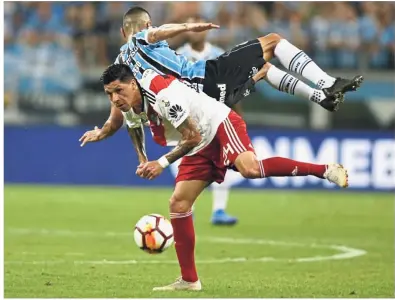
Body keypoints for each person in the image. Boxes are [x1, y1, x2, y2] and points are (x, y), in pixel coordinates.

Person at [96, 64, 349, 291]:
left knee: (249, 168)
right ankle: (189, 280)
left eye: (118, 91)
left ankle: (325, 170)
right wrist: (142, 159)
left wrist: (161, 163)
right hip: (196, 144)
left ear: (133, 83)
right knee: (179, 204)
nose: (115, 98)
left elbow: (192, 136)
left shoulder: (162, 95)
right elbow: (133, 126)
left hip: (217, 124)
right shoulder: (129, 102)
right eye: (109, 94)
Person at [113, 6, 363, 112]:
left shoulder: (119, 66)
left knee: (263, 67)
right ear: (146, 25)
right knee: (273, 41)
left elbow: (124, 109)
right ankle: (328, 83)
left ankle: (322, 98)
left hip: (192, 105)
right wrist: (188, 26)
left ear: (122, 31)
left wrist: (104, 130)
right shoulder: (142, 37)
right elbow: (158, 32)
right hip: (205, 79)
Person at [177, 15, 238, 225]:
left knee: (223, 161)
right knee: (189, 164)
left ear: (206, 29)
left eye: (199, 27)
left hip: (216, 116)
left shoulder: (219, 56)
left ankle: (219, 210)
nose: (196, 31)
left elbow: (231, 88)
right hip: (187, 120)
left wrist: (236, 114)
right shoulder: (178, 55)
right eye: (192, 27)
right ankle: (187, 209)